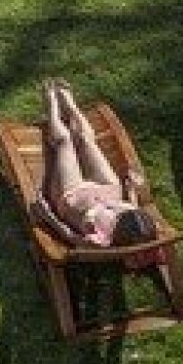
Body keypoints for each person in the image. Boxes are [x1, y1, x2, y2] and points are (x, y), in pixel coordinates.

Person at [33, 79, 161, 248]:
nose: (117, 214)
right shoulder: (141, 226)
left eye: (119, 218)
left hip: (73, 195)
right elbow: (133, 208)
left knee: (65, 142)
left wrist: (48, 216)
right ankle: (71, 105)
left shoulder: (101, 241)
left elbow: (70, 236)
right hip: (109, 188)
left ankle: (51, 103)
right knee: (87, 140)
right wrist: (131, 189)